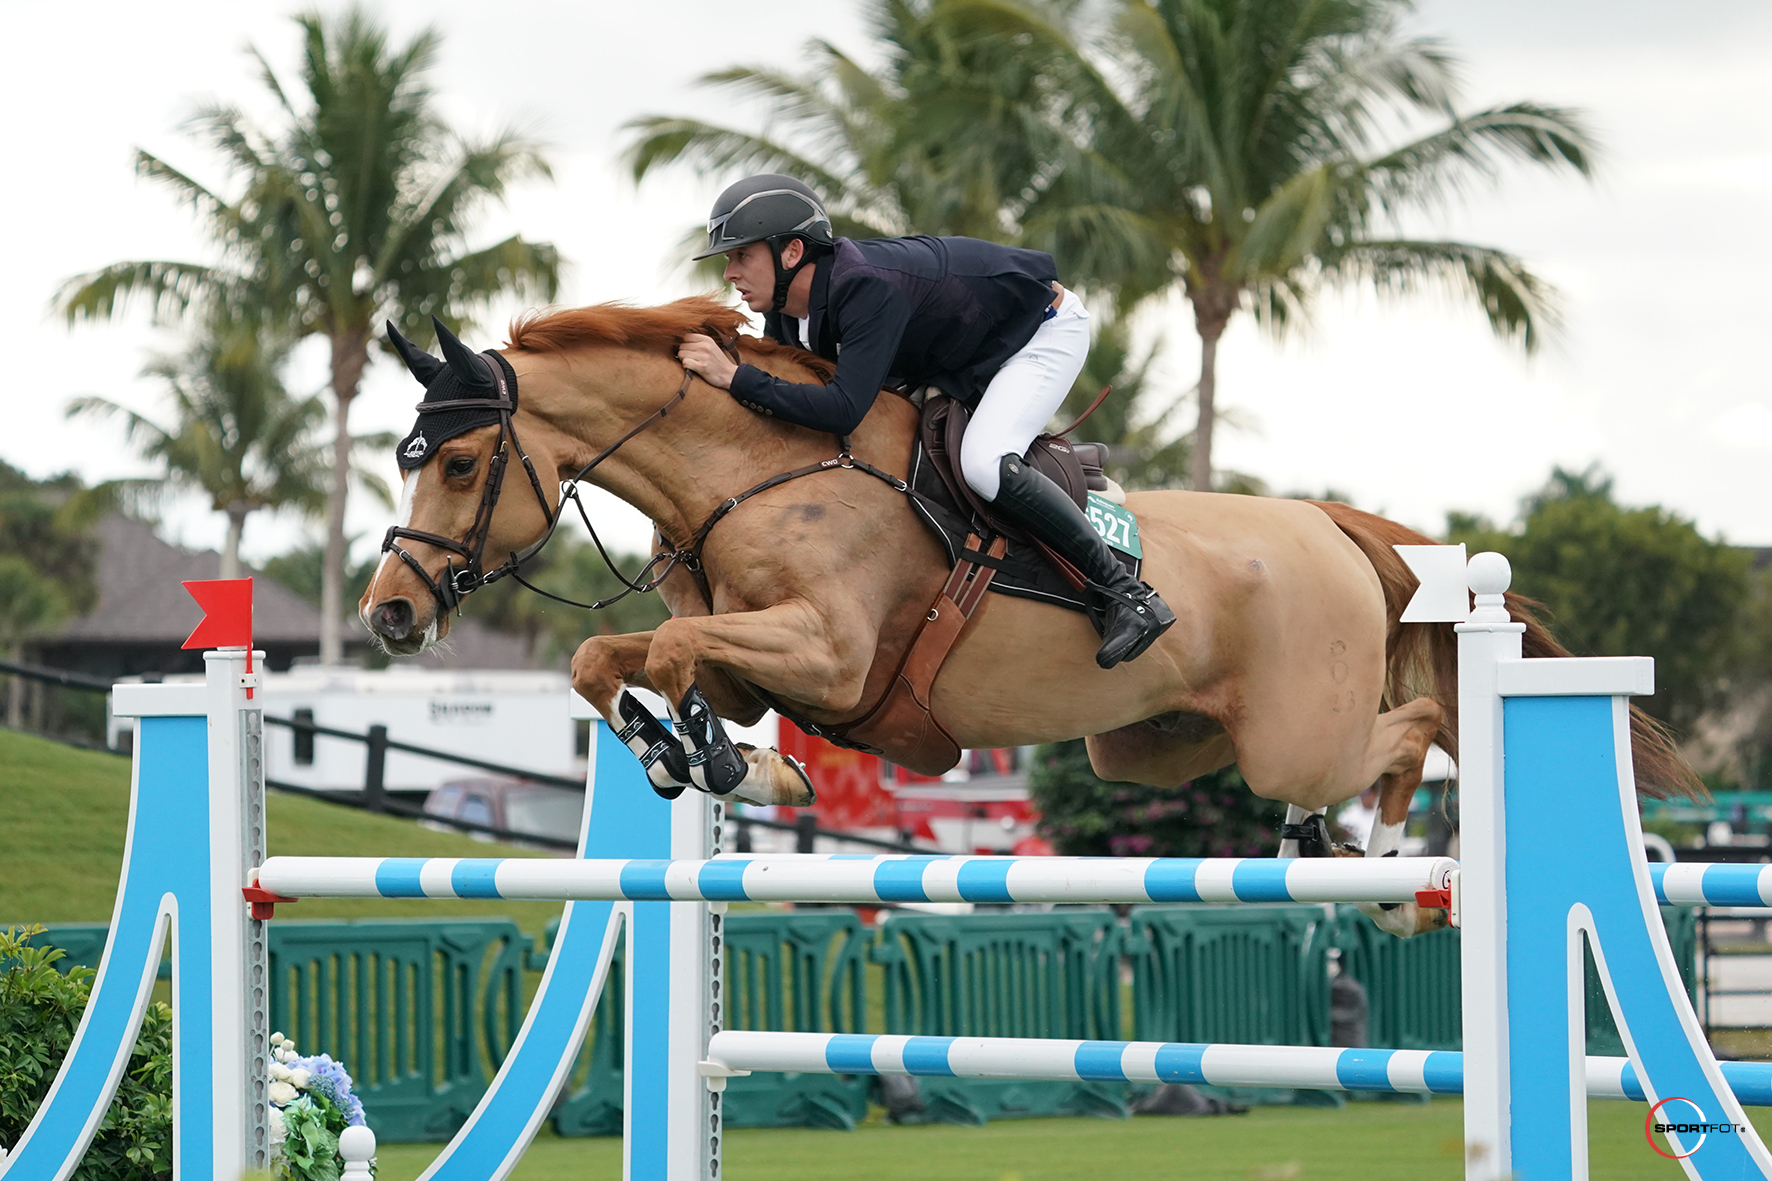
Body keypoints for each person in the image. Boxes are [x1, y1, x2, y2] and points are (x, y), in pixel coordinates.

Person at [676, 173, 1174, 669]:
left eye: (742, 256)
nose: (730, 273)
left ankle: (1128, 594)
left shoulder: (864, 287)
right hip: (961, 353)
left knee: (983, 464)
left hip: (1039, 333)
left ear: (791, 252)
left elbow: (843, 408)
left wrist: (734, 377)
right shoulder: (789, 313)